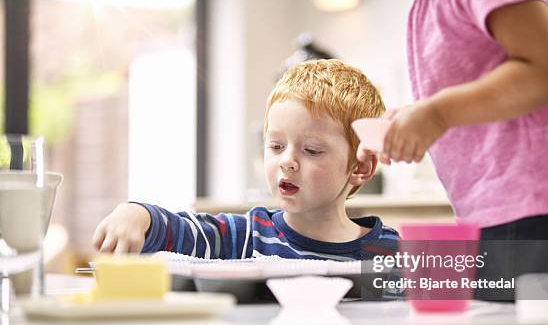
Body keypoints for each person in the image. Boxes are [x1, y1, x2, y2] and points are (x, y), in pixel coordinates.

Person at [357, 0, 548, 300]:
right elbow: (479, 87)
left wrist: (437, 114)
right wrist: (414, 117)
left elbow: (546, 70)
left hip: (531, 200)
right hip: (505, 206)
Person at [93, 59, 398, 260]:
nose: (287, 161)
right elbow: (181, 231)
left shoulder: (389, 251)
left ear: (360, 166)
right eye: (276, 146)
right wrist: (136, 214)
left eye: (312, 150)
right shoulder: (246, 237)